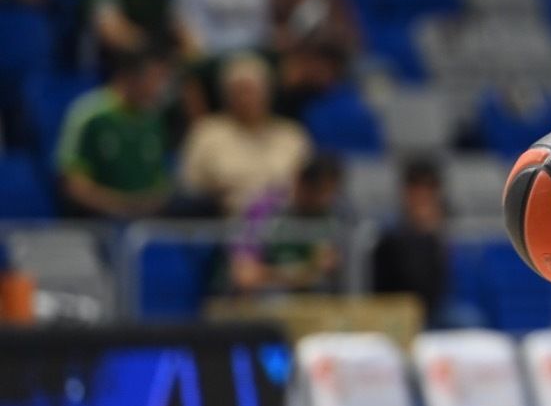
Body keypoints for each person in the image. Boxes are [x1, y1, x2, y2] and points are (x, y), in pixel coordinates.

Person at [179, 52, 311, 215]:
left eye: (251, 90)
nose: (245, 98)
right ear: (226, 95)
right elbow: (189, 187)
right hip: (220, 225)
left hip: (285, 224)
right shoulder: (206, 132)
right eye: (239, 91)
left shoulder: (291, 135)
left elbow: (308, 187)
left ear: (268, 92)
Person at [55, 49, 174, 219]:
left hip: (150, 224)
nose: (161, 88)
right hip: (98, 225)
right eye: (155, 78)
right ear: (132, 76)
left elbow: (162, 184)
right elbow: (73, 185)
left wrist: (151, 204)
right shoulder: (89, 115)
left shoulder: (154, 120)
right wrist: (123, 207)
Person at [370, 158, 484, 328]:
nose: (423, 196)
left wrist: (433, 238)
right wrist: (421, 236)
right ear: (406, 191)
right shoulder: (389, 234)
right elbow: (405, 283)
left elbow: (443, 284)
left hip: (435, 309)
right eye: (417, 188)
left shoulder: (441, 229)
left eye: (430, 189)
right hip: (399, 310)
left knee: (470, 319)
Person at [225, 153, 344, 296]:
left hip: (315, 304)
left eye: (330, 193)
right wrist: (302, 274)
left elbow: (330, 268)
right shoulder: (264, 210)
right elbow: (245, 276)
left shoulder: (332, 216)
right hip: (264, 304)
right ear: (300, 181)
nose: (324, 201)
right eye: (319, 191)